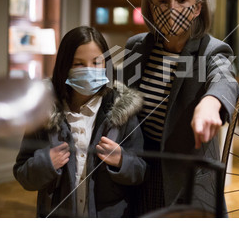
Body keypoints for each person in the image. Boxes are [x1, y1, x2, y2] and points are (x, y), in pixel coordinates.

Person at [121, 0, 239, 216]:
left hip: (184, 177)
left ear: (197, 8)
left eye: (181, 0)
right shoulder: (137, 47)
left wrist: (211, 102)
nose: (172, 8)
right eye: (163, 1)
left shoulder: (211, 50)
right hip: (138, 170)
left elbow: (225, 79)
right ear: (151, 9)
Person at [13, 26, 146, 218]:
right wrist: (46, 163)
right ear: (65, 66)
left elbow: (141, 171)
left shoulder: (124, 112)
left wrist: (122, 161)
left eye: (96, 62)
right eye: (79, 64)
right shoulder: (43, 112)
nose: (89, 70)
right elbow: (23, 174)